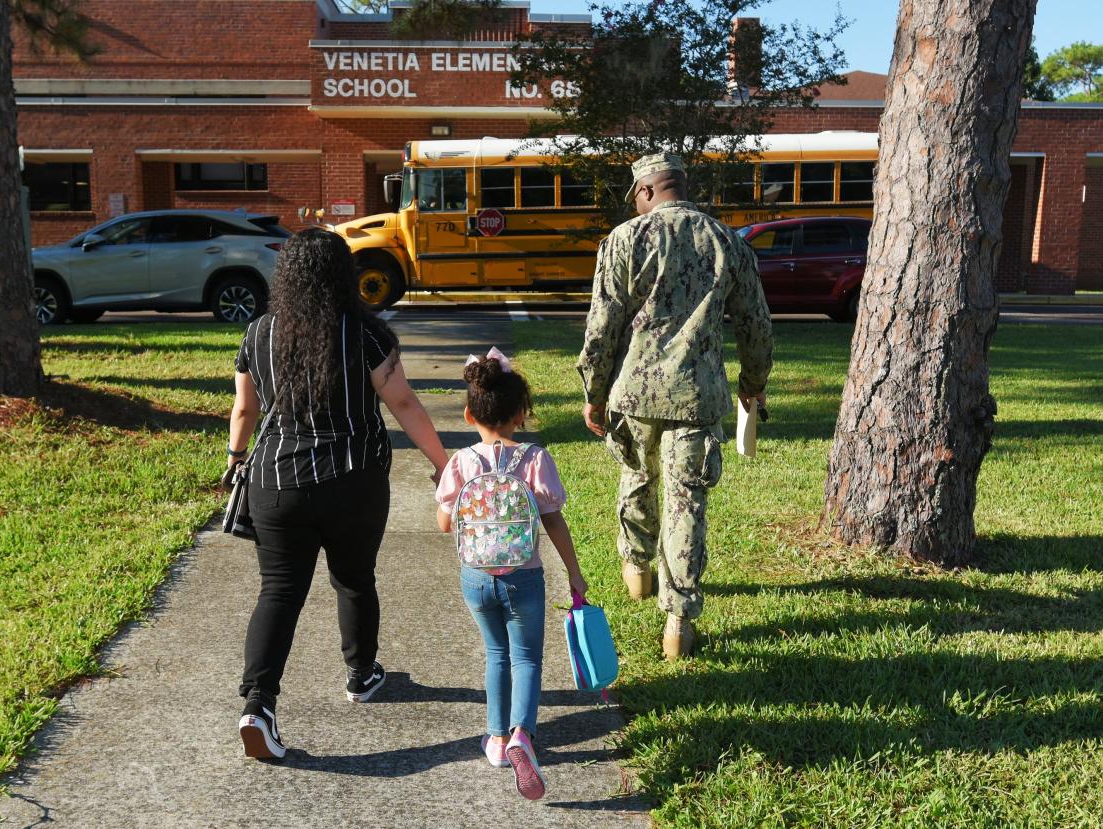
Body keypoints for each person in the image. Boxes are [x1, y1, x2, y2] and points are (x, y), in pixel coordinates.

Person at [227, 227, 449, 759]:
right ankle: (361, 674)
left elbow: (244, 412)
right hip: (354, 480)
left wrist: (235, 461)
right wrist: (445, 466)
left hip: (277, 481)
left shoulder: (258, 333)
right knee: (353, 579)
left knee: (278, 591)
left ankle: (258, 703)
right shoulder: (367, 333)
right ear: (342, 276)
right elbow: (406, 406)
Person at [577, 152, 773, 661]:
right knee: (687, 502)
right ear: (679, 186)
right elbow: (755, 323)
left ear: (644, 192)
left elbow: (602, 328)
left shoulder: (624, 240)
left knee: (636, 476)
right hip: (697, 394)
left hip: (635, 392)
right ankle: (678, 622)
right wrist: (754, 384)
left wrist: (593, 394)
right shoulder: (726, 240)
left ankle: (636, 570)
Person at [434, 349, 589, 800]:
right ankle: (524, 734)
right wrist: (574, 575)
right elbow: (553, 520)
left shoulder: (460, 463)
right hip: (525, 576)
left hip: (477, 577)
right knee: (526, 659)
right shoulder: (534, 459)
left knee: (495, 654)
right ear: (521, 414)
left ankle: (497, 740)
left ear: (468, 414)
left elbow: (446, 525)